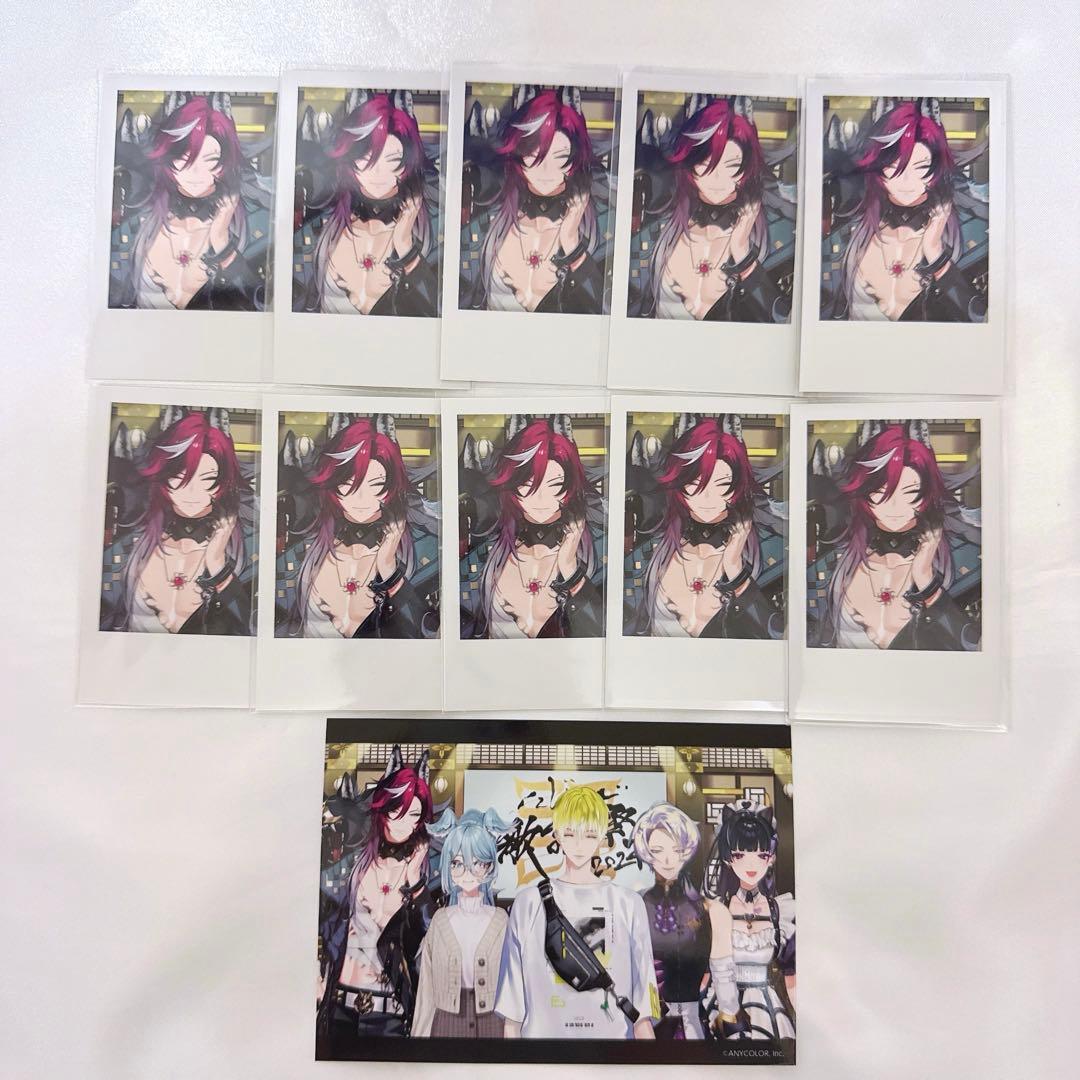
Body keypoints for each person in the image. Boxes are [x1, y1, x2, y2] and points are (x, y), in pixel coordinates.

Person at [495, 786, 659, 1039]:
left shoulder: (628, 903)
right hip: (541, 1051)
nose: (580, 844)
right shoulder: (528, 903)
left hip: (612, 1049)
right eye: (570, 834)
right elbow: (512, 1006)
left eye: (590, 835)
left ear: (602, 835)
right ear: (557, 835)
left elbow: (643, 1004)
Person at [100, 407, 253, 635]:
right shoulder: (132, 545)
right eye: (179, 478)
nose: (191, 493)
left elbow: (251, 629)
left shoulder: (243, 548)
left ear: (223, 482)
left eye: (207, 479)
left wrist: (217, 565)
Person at [413, 808, 511, 1038]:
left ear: (489, 866)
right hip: (447, 1023)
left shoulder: (501, 920)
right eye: (457, 863)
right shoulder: (440, 920)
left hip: (493, 1022)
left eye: (477, 863)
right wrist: (419, 1040)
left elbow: (514, 985)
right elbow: (426, 989)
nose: (467, 872)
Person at [701, 800, 795, 1041]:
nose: (751, 864)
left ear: (771, 857)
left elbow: (792, 979)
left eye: (761, 854)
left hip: (767, 1007)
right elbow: (705, 974)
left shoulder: (779, 911)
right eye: (740, 854)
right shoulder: (717, 909)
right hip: (722, 1004)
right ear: (727, 858)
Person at [632, 803, 710, 1038]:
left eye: (676, 850)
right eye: (658, 850)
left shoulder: (702, 908)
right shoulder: (636, 903)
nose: (668, 859)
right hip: (645, 1023)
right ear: (646, 851)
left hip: (691, 1020)